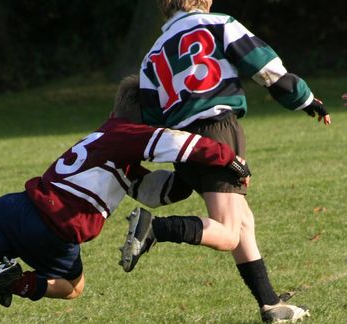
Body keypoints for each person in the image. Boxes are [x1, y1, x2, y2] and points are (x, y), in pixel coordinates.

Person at [0, 75, 251, 323]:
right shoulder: (129, 134)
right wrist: (229, 159)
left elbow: (152, 192)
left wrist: (186, 181)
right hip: (54, 227)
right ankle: (17, 281)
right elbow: (179, 142)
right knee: (73, 288)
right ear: (146, 116)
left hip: (14, 207)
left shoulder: (105, 141)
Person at [120, 0, 331, 323]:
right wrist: (302, 98)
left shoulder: (152, 54)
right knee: (229, 231)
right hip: (218, 130)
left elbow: (149, 116)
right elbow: (263, 65)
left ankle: (270, 304)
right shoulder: (219, 23)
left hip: (183, 142)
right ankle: (154, 229)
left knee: (243, 221)